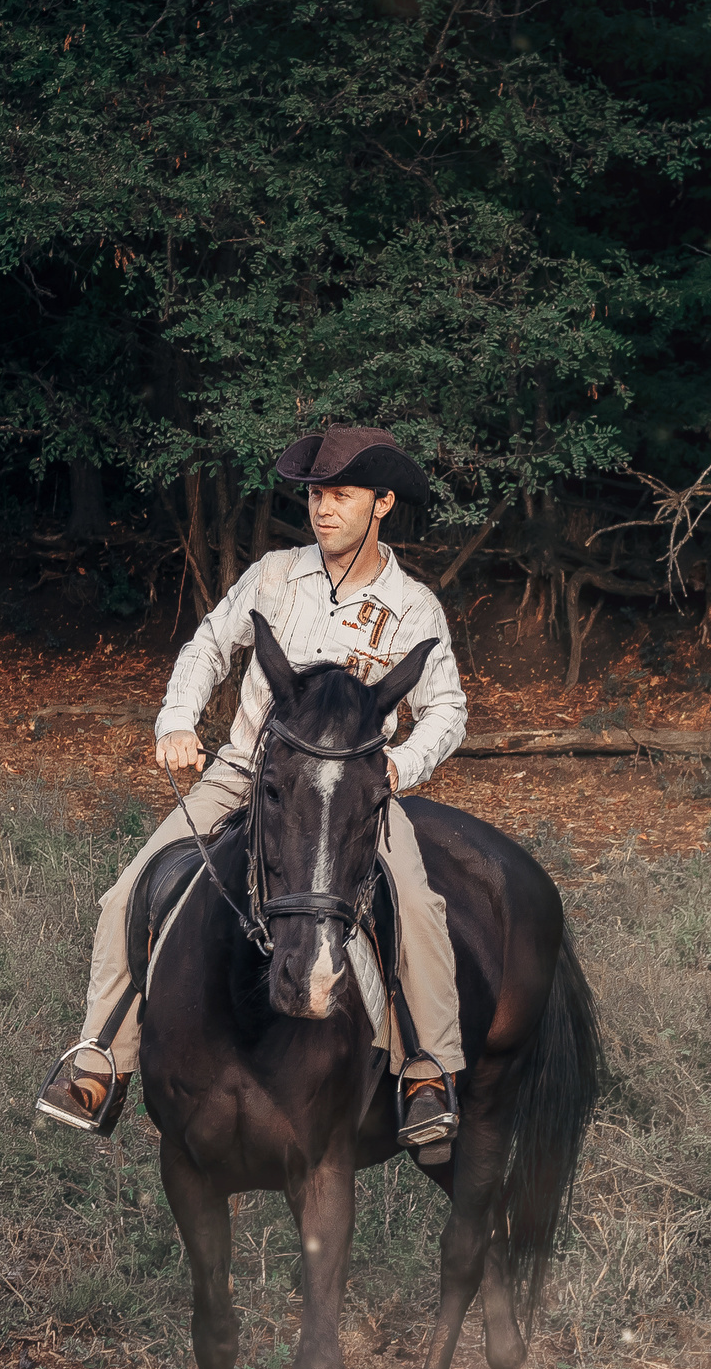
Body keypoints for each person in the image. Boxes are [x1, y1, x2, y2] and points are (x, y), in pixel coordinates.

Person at [36, 427, 471, 1160]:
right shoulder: (273, 575)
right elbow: (209, 645)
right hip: (247, 770)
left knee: (417, 902)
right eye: (315, 495)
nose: (323, 510)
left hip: (350, 790)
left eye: (341, 496)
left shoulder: (413, 607)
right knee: (132, 886)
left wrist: (400, 764)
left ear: (383, 503)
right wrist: (176, 718)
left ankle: (426, 1069)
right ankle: (101, 1056)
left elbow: (448, 708)